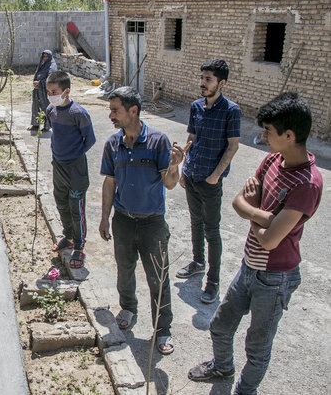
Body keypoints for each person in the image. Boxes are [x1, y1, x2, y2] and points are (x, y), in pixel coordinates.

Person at [188, 93, 322, 395]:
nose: (262, 137)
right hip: (250, 265)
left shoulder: (307, 184)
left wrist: (255, 216)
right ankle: (222, 367)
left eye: (269, 132)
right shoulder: (274, 159)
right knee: (220, 325)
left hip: (274, 277)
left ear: (289, 135)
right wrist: (263, 216)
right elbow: (238, 202)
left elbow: (270, 240)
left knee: (257, 347)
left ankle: (244, 391)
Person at [98, 87, 185, 355]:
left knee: (158, 277)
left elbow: (170, 184)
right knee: (124, 269)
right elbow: (109, 182)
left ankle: (163, 329)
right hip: (123, 220)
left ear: (133, 111)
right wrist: (104, 217)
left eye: (116, 110)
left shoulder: (159, 142)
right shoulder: (113, 144)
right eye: (111, 110)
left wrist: (174, 166)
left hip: (152, 224)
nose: (111, 115)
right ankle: (128, 308)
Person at [176, 59, 241, 304]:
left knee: (212, 230)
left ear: (221, 83)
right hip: (192, 175)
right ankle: (197, 262)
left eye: (208, 79)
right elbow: (191, 138)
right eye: (202, 78)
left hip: (210, 181)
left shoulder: (231, 110)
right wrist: (184, 168)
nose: (202, 83)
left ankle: (212, 281)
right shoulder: (195, 107)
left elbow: (232, 147)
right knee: (195, 222)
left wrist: (216, 175)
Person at [46, 70, 96, 268]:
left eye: (54, 91)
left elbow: (89, 140)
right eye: (48, 92)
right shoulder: (52, 110)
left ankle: (80, 247)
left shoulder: (79, 113)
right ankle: (68, 237)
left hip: (75, 169)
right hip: (58, 166)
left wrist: (73, 154)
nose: (51, 96)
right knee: (61, 203)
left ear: (66, 91)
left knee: (77, 208)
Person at [29, 50, 57, 132]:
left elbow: (51, 79)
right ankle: (35, 125)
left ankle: (47, 126)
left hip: (46, 91)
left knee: (46, 107)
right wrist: (35, 83)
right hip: (38, 90)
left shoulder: (52, 66)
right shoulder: (42, 65)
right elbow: (37, 74)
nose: (45, 58)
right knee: (36, 107)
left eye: (46, 57)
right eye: (43, 56)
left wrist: (40, 83)